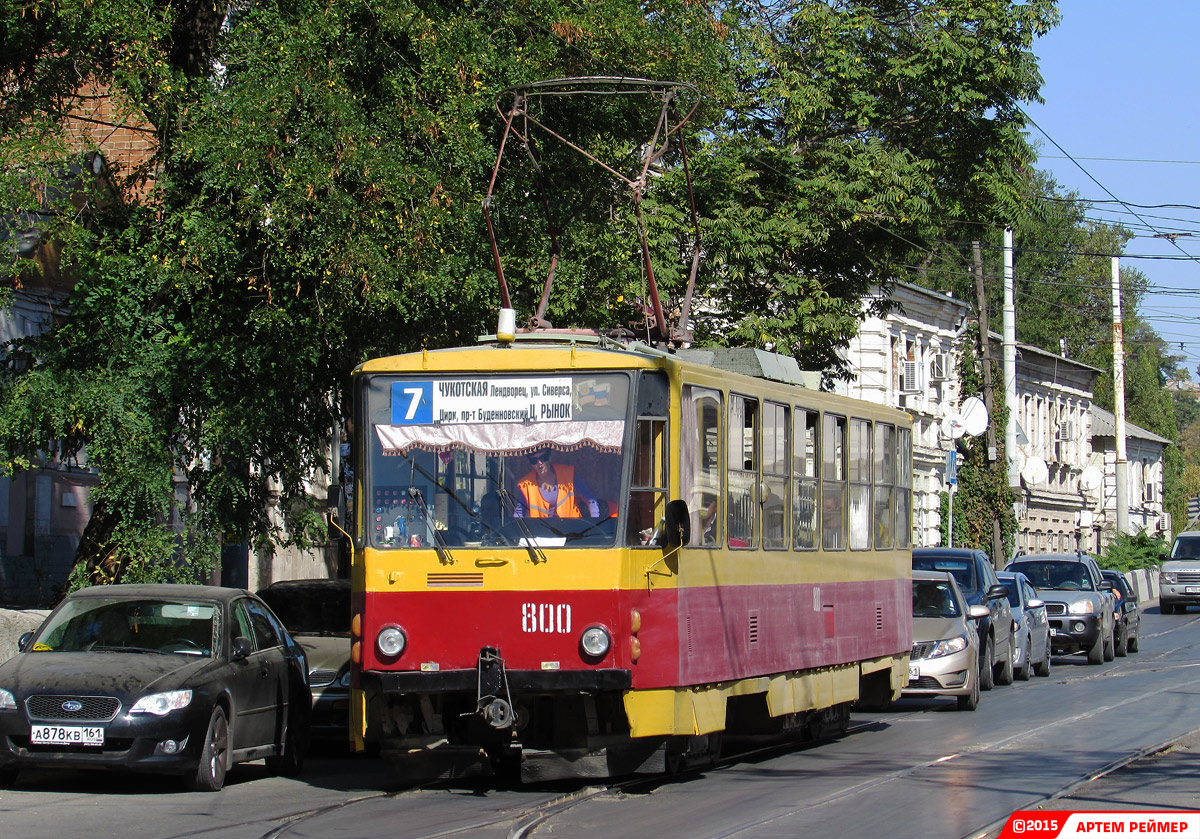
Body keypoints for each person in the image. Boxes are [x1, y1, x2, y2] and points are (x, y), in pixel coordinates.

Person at [514, 448, 600, 518]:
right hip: (541, 534)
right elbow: (519, 512)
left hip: (572, 532)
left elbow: (590, 499)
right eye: (534, 460)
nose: (539, 463)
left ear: (549, 458)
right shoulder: (525, 485)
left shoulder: (568, 474)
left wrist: (596, 523)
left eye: (543, 458)